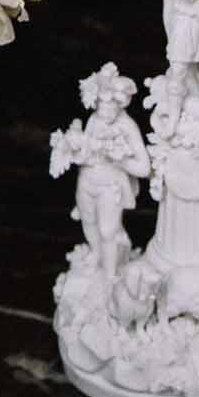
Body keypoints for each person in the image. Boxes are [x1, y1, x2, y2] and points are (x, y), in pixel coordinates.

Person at [65, 63, 151, 278]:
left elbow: (144, 168)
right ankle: (95, 253)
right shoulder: (94, 119)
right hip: (87, 181)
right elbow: (87, 150)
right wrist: (75, 148)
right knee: (89, 222)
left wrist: (120, 160)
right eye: (100, 107)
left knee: (107, 231)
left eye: (110, 107)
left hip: (110, 186)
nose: (104, 113)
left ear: (120, 104)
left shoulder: (127, 126)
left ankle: (111, 275)